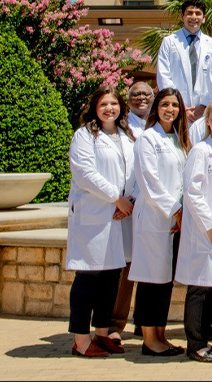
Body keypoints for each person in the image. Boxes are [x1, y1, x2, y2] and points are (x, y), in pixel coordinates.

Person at [65, 88, 135, 358]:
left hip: (120, 214)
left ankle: (102, 333)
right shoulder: (85, 136)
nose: (109, 108)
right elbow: (85, 173)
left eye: (114, 103)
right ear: (95, 106)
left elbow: (135, 172)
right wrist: (116, 199)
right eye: (104, 104)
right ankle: (81, 340)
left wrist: (131, 200)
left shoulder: (126, 136)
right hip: (94, 214)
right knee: (88, 276)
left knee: (111, 275)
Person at [130, 88, 189, 356]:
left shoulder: (176, 138)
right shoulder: (147, 139)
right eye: (165, 104)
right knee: (150, 280)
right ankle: (148, 339)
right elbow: (151, 183)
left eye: (175, 105)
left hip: (172, 220)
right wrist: (176, 211)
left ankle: (161, 335)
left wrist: (180, 212)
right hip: (154, 218)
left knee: (164, 281)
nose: (170, 109)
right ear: (157, 107)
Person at [177, 100, 212, 363]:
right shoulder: (201, 151)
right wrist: (210, 224)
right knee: (199, 288)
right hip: (205, 229)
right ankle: (195, 344)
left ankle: (205, 340)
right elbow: (192, 191)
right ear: (208, 122)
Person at [111, 83, 150, 336]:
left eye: (146, 94)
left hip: (151, 207)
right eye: (135, 94)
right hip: (129, 204)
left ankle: (145, 322)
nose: (141, 99)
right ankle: (115, 323)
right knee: (125, 269)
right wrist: (129, 200)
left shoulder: (161, 125)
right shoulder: (122, 127)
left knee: (150, 266)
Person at [155, 0, 212, 123]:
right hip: (176, 110)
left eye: (198, 13)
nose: (193, 17)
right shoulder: (169, 42)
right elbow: (163, 76)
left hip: (204, 111)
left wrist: (203, 105)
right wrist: (179, 105)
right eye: (189, 13)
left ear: (204, 18)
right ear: (182, 16)